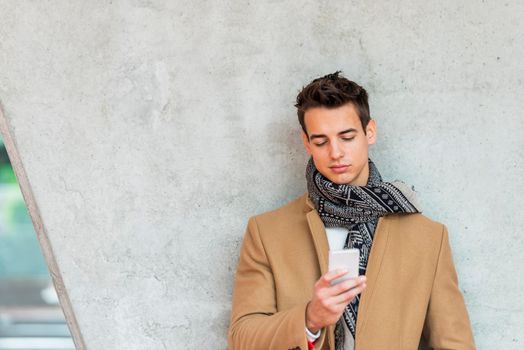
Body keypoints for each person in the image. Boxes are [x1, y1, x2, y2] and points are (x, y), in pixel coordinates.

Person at [228, 72, 475, 350]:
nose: (335, 152)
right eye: (321, 142)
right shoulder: (267, 232)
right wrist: (310, 318)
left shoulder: (429, 238)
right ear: (307, 143)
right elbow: (241, 339)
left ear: (370, 132)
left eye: (346, 137)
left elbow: (455, 344)